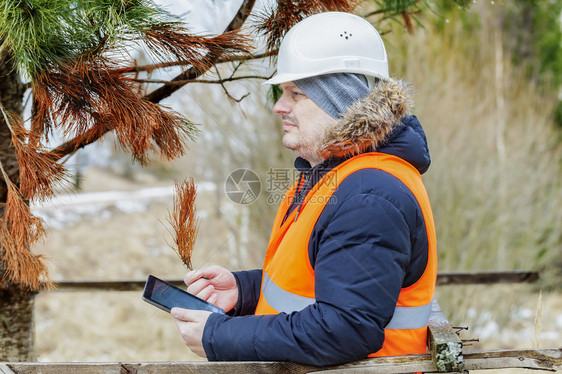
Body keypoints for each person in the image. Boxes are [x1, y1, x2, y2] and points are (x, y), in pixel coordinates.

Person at [171, 12, 437, 366]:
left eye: (296, 94)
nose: (280, 106)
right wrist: (245, 290)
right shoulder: (337, 177)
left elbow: (346, 328)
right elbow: (322, 281)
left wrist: (218, 336)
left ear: (341, 103)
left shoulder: (368, 196)